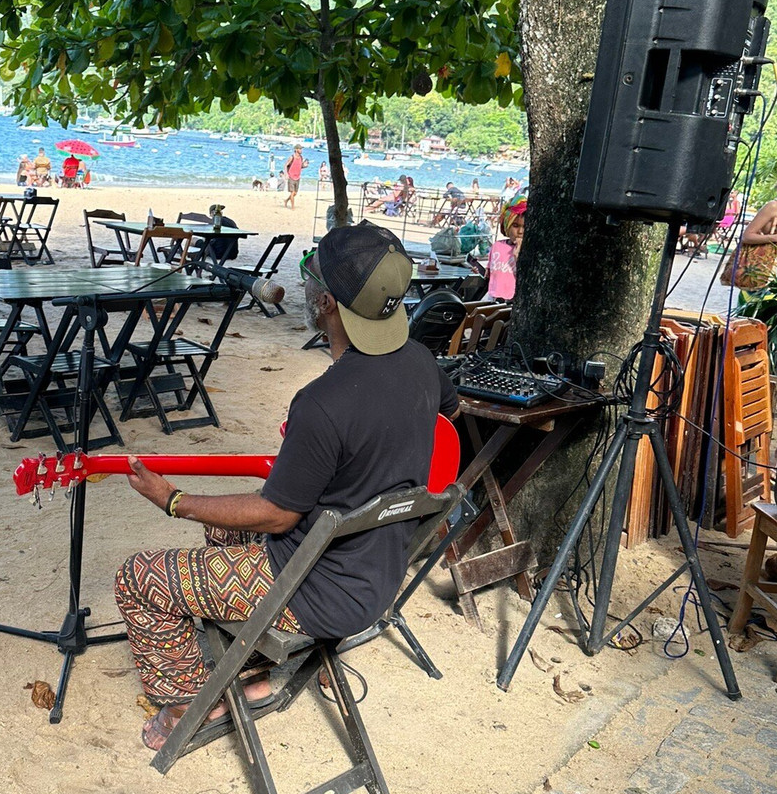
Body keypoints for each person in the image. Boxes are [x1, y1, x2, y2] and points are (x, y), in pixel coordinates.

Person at [115, 223, 459, 751]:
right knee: (223, 533)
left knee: (139, 578)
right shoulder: (420, 362)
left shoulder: (322, 403)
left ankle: (187, 700)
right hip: (380, 572)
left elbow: (277, 515)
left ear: (324, 303)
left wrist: (174, 501)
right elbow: (448, 417)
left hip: (318, 590)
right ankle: (250, 670)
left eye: (308, 276)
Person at [484, 193, 527, 301]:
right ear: (507, 225)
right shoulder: (497, 246)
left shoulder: (527, 251)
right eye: (515, 226)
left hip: (513, 299)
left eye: (524, 227)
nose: (520, 232)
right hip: (493, 296)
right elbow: (489, 274)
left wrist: (518, 255)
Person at [283, 144, 309, 209]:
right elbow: (286, 165)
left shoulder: (301, 157)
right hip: (291, 176)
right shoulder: (292, 157)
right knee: (292, 192)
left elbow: (300, 166)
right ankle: (292, 207)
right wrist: (286, 174)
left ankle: (286, 200)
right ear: (296, 150)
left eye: (301, 149)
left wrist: (304, 166)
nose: (301, 150)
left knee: (295, 193)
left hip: (297, 177)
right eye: (300, 149)